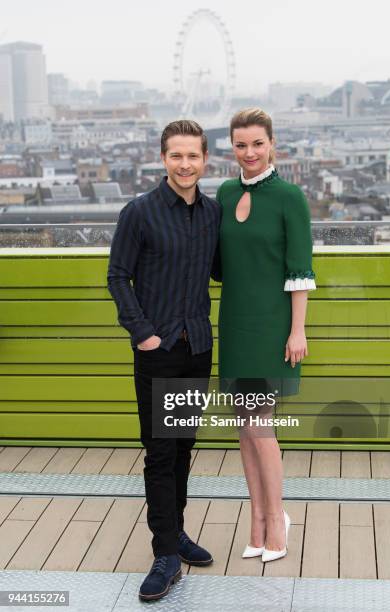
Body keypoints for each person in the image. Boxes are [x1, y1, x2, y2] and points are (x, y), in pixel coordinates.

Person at [107, 120, 220, 602]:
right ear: (163, 158)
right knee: (159, 452)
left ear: (205, 159)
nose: (185, 164)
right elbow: (117, 276)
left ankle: (175, 536)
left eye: (193, 155)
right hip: (159, 351)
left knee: (183, 447)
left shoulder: (214, 214)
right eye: (176, 155)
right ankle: (164, 554)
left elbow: (223, 269)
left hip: (197, 347)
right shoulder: (140, 212)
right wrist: (144, 335)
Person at [213, 108, 316, 563]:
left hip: (272, 326)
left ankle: (277, 518)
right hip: (233, 321)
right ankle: (255, 519)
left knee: (261, 426)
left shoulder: (290, 197)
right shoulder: (224, 192)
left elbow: (300, 270)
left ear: (272, 143)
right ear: (231, 147)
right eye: (240, 144)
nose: (249, 152)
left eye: (257, 143)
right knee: (244, 428)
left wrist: (298, 331)